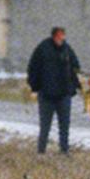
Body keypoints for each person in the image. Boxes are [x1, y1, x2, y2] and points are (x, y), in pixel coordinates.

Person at [25, 26, 80, 154]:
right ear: (54, 36)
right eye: (60, 35)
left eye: (63, 35)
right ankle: (41, 151)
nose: (62, 38)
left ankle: (64, 150)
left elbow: (75, 67)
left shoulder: (67, 49)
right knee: (45, 126)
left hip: (64, 94)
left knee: (64, 125)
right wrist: (35, 87)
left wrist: (74, 86)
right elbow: (33, 68)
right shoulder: (43, 48)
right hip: (46, 95)